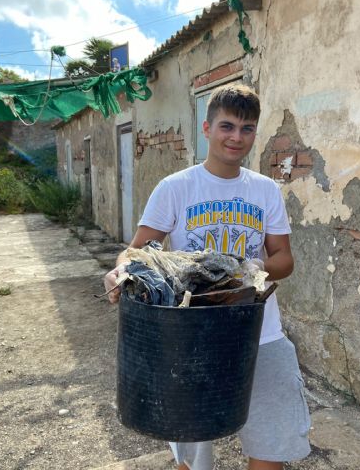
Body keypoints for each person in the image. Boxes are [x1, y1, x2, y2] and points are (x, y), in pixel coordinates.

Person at [104, 83, 311, 470]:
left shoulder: (265, 191)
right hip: (191, 338)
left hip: (260, 331)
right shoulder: (176, 188)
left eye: (247, 128)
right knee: (192, 448)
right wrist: (121, 272)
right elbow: (139, 250)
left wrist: (249, 268)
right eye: (227, 126)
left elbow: (284, 258)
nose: (236, 137)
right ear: (207, 128)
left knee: (271, 444)